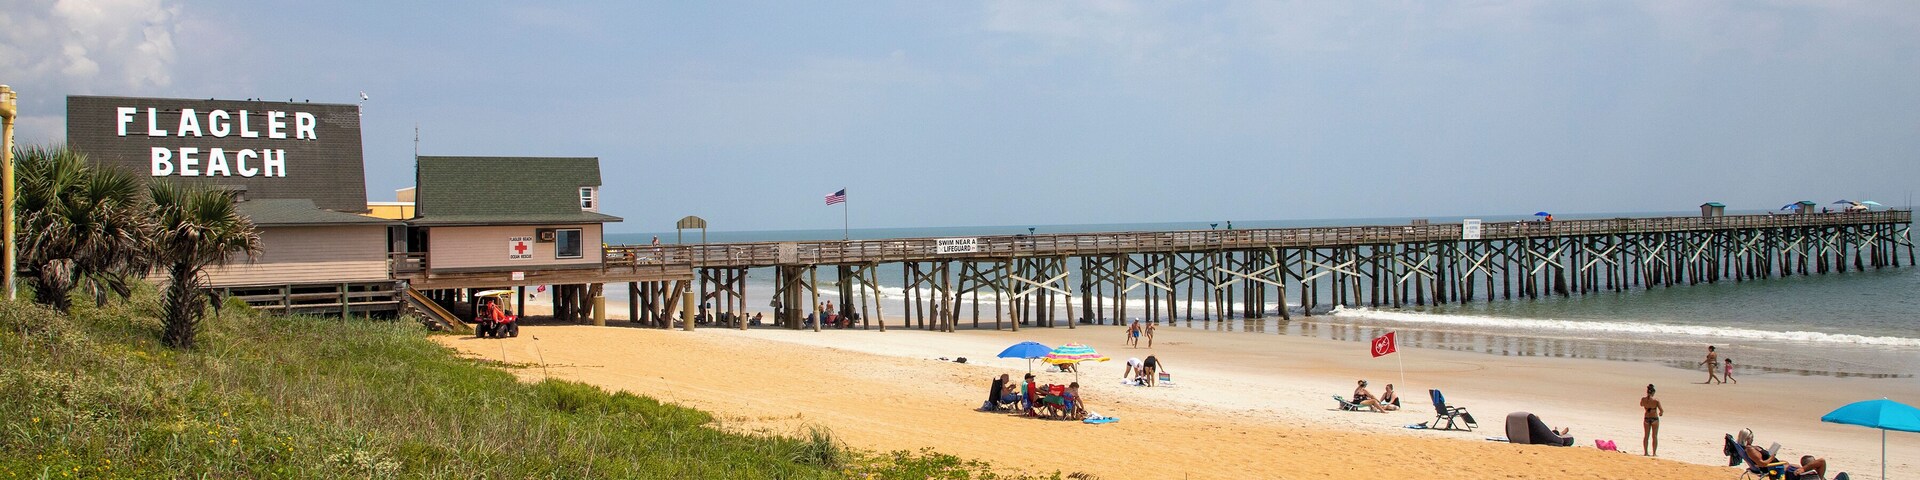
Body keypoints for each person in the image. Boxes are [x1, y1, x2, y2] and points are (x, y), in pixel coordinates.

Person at [1641, 384, 1663, 456]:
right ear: (1653, 392)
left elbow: (1641, 404)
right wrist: (1660, 413)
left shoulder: (1643, 399)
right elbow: (1661, 411)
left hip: (1646, 418)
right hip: (1654, 419)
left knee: (1646, 436)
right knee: (1655, 436)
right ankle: (1654, 453)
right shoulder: (1656, 401)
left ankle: (1646, 452)